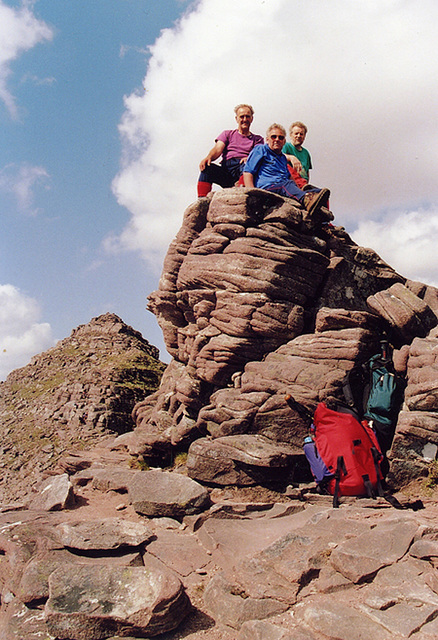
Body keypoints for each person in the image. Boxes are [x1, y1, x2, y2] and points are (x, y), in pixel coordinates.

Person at [243, 123, 331, 219]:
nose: (277, 139)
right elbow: (248, 172)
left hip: (283, 187)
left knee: (319, 192)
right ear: (267, 139)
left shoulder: (282, 158)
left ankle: (324, 222)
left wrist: (300, 191)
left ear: (284, 141)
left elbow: (289, 176)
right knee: (286, 185)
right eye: (273, 137)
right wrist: (253, 194)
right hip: (268, 187)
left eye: (280, 138)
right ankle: (306, 199)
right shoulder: (261, 149)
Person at [197, 104, 264, 197]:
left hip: (244, 168)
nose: (245, 119)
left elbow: (258, 155)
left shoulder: (257, 139)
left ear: (252, 119)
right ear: (236, 119)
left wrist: (249, 158)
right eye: (242, 116)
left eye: (247, 116)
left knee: (248, 164)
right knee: (207, 168)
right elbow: (217, 148)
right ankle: (201, 201)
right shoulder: (227, 134)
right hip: (227, 169)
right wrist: (209, 157)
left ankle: (241, 194)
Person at [282, 121, 312, 187]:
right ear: (291, 135)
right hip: (291, 182)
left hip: (303, 184)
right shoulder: (286, 146)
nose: (298, 136)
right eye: (296, 133)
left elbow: (307, 171)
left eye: (301, 134)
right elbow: (279, 156)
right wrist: (291, 157)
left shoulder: (306, 153)